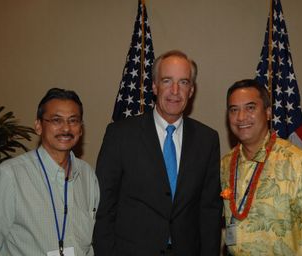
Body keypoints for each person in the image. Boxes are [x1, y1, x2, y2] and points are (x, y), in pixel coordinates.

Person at [93, 50, 223, 256]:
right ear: (154, 85)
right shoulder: (120, 135)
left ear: (191, 90)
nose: (175, 91)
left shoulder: (207, 140)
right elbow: (104, 206)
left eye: (183, 82)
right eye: (167, 81)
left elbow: (209, 212)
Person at [220, 79, 302, 255]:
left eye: (250, 108)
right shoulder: (225, 165)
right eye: (234, 109)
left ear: (268, 113)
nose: (241, 117)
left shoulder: (299, 164)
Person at [0, 88, 99, 256]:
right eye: (56, 120)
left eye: (73, 120)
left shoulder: (87, 175)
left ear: (80, 129)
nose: (66, 128)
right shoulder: (10, 176)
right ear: (38, 126)